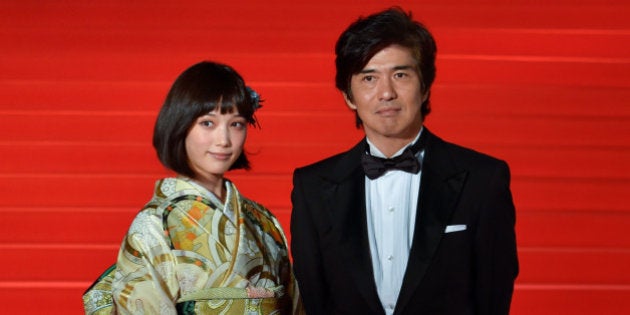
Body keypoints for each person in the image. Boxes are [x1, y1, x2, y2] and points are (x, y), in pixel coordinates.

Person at [290, 7, 518, 315]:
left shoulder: (483, 180)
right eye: (369, 78)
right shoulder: (312, 187)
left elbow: (493, 295)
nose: (386, 93)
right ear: (348, 95)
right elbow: (312, 297)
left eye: (400, 75)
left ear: (425, 86)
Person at [83, 61, 302, 314]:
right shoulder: (154, 225)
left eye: (236, 124)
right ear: (180, 125)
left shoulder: (262, 221)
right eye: (208, 123)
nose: (224, 140)